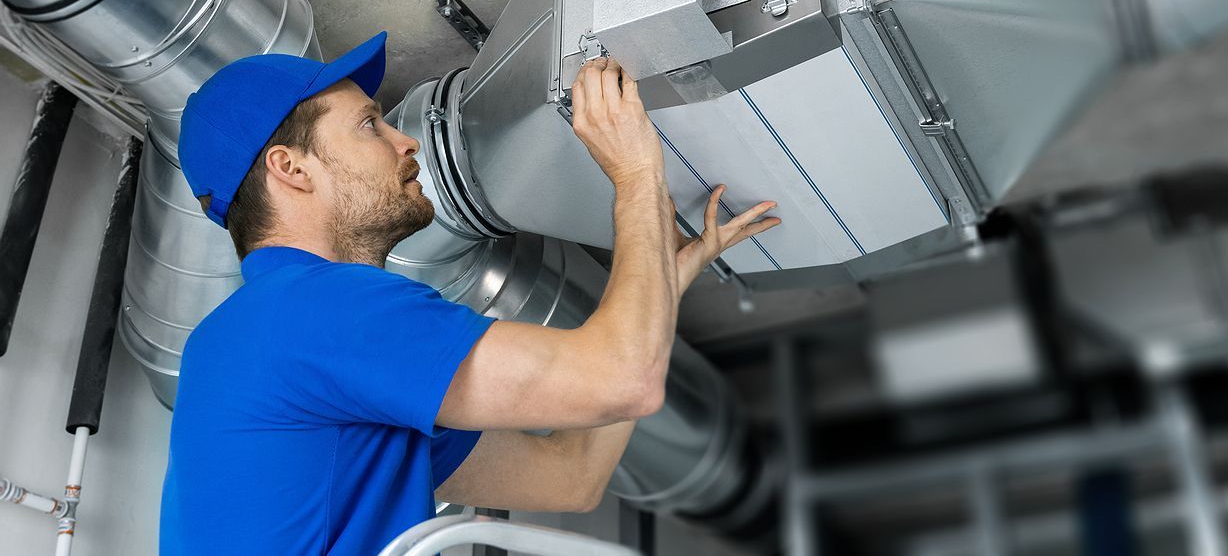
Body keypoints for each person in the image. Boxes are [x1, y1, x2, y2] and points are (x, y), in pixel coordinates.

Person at [158, 31, 779, 555]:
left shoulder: (267, 341)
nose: (404, 142)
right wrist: (637, 174)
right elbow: (625, 382)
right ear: (291, 168)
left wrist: (662, 278)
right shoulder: (311, 312)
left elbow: (572, 477)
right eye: (369, 125)